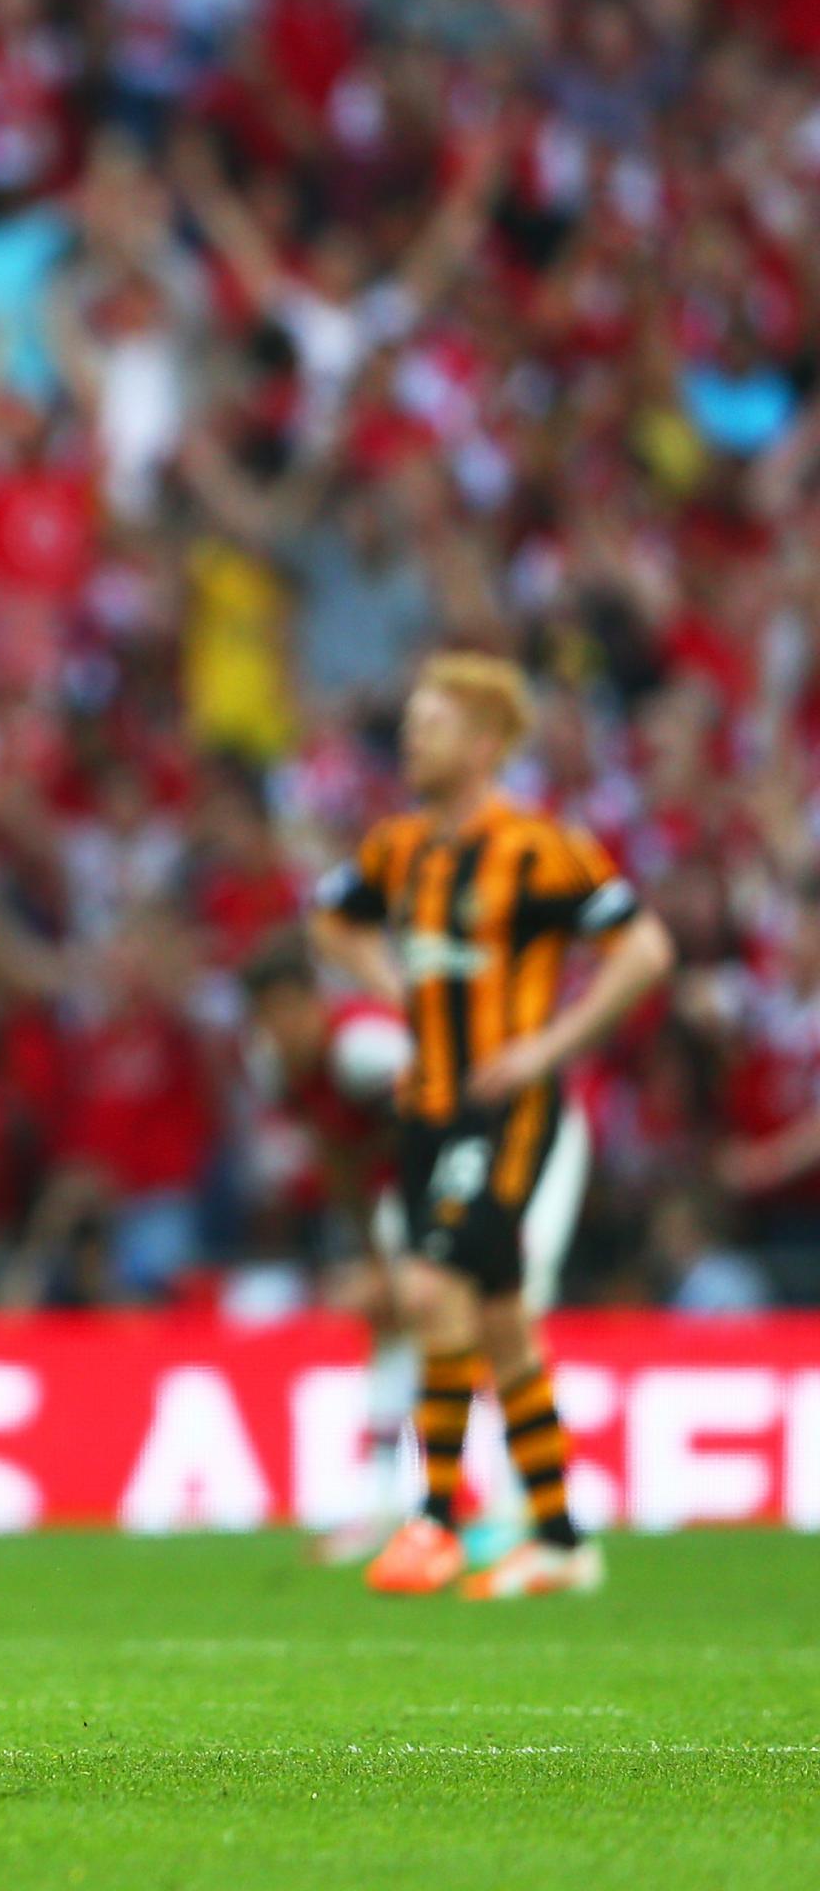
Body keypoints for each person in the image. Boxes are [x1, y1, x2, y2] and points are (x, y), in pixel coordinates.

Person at [313, 653, 675, 1598]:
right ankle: (560, 1538)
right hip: (426, 1108)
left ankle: (433, 1519)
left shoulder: (536, 846)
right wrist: (398, 990)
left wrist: (552, 1046)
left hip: (504, 1107)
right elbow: (329, 920)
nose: (411, 737)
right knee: (506, 1323)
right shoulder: (402, 848)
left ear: (482, 743)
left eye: (430, 724)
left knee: (434, 1289)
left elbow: (644, 947)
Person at [239, 933, 419, 1564]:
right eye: (266, 1017)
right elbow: (338, 1156)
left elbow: (443, 1117)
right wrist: (374, 1249)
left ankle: (502, 1503)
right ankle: (388, 1502)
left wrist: (414, 1250)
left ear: (316, 1003)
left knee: (464, 1309)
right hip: (402, 1185)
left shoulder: (368, 1050)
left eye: (289, 1011)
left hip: (485, 1153)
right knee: (393, 1316)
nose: (279, 1030)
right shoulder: (273, 1066)